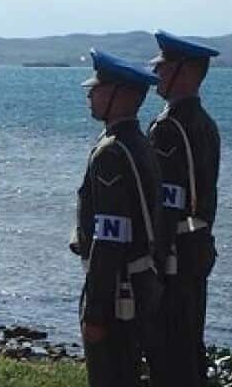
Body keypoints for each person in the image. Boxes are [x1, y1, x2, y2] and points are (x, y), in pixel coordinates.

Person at [71, 49, 164, 387]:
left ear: (120, 95)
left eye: (97, 88)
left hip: (117, 291)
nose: (90, 95)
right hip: (138, 283)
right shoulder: (136, 142)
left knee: (110, 375)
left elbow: (110, 237)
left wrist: (95, 310)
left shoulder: (112, 152)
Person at [145, 31, 221, 387]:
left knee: (168, 354)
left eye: (164, 67)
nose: (155, 73)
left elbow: (165, 204)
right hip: (196, 249)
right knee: (189, 347)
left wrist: (152, 264)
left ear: (186, 73)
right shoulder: (204, 123)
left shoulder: (170, 127)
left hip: (174, 259)